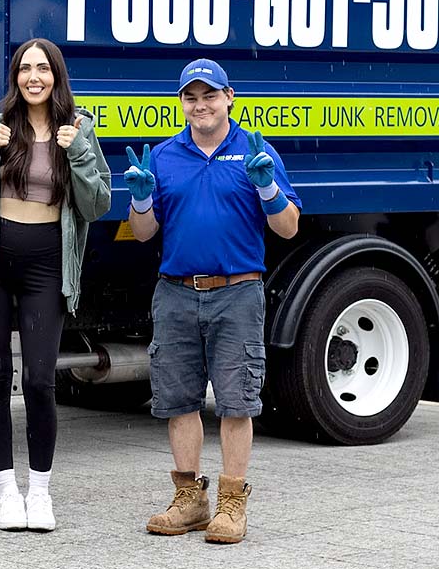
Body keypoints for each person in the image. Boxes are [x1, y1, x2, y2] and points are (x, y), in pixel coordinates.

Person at [126, 58, 301, 544]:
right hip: (175, 293)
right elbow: (143, 233)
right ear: (181, 102)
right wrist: (141, 200)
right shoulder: (164, 156)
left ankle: (231, 503)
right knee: (178, 401)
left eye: (209, 95)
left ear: (229, 97)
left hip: (237, 293)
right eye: (191, 97)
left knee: (236, 402)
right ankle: (190, 500)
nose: (200, 105)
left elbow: (288, 227)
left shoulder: (255, 150)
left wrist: (267, 186)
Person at [0, 38, 111, 532]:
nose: (33, 77)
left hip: (48, 267)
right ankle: (6, 492)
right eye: (25, 69)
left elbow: (98, 205)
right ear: (15, 77)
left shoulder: (79, 129)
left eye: (43, 68)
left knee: (40, 380)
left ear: (56, 76)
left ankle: (39, 492)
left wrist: (77, 152)